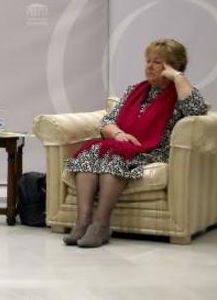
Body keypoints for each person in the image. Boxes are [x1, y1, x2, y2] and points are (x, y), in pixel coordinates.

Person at [63, 39, 208, 247]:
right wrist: (118, 133)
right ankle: (82, 222)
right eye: (147, 61)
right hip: (122, 145)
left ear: (172, 67)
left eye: (157, 62)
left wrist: (177, 77)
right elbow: (106, 121)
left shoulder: (180, 94)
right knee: (91, 152)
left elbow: (197, 111)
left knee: (113, 157)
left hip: (154, 149)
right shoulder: (135, 90)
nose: (148, 66)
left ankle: (101, 225)